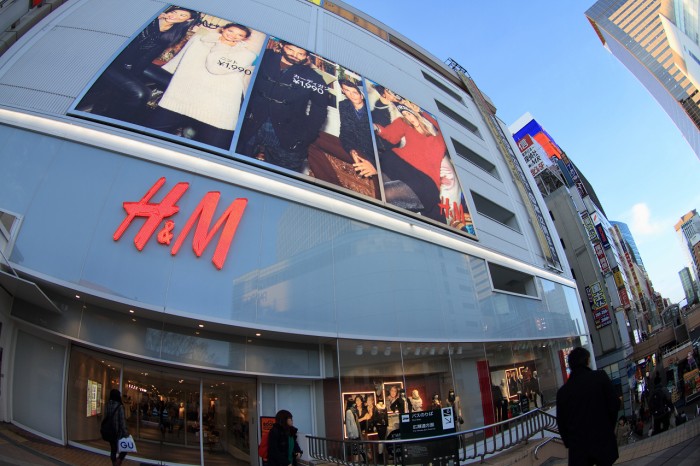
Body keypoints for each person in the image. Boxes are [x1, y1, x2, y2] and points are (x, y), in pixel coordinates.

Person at [148, 23, 258, 149]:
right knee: (150, 138)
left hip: (216, 108)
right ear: (223, 29)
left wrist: (222, 45)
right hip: (181, 97)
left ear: (244, 39)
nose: (233, 36)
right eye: (231, 31)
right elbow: (179, 60)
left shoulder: (247, 55)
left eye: (239, 35)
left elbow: (215, 67)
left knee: (211, 151)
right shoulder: (200, 40)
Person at [80, 7, 198, 122]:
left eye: (182, 15)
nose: (175, 16)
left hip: (136, 61)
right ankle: (113, 120)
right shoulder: (150, 21)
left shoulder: (173, 31)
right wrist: (152, 21)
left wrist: (135, 73)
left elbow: (148, 56)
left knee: (173, 82)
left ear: (188, 20)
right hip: (114, 60)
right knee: (141, 93)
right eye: (174, 12)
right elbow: (129, 45)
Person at [237, 40, 328, 172]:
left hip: (287, 134)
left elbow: (319, 110)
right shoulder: (265, 57)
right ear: (282, 46)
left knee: (283, 175)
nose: (294, 55)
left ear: (307, 56)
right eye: (290, 50)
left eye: (301, 54)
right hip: (251, 125)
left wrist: (305, 137)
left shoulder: (314, 78)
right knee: (237, 166)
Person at [374, 102, 447, 222]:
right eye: (405, 115)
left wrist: (421, 112)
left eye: (409, 114)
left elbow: (443, 128)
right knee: (375, 186)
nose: (408, 117)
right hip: (401, 167)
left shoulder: (439, 140)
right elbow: (390, 135)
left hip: (425, 182)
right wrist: (377, 128)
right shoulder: (406, 125)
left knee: (386, 194)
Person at [556, 347, 619, 466]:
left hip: (578, 448)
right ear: (586, 361)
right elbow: (614, 403)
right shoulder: (600, 377)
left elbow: (561, 422)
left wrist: (569, 442)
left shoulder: (563, 392)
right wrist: (608, 427)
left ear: (570, 365)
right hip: (602, 440)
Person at [104, 388, 129, 466]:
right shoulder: (120, 406)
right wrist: (126, 433)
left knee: (113, 449)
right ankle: (117, 462)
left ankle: (114, 463)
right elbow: (122, 421)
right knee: (125, 449)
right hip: (118, 432)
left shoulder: (108, 404)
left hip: (109, 431)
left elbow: (106, 416)